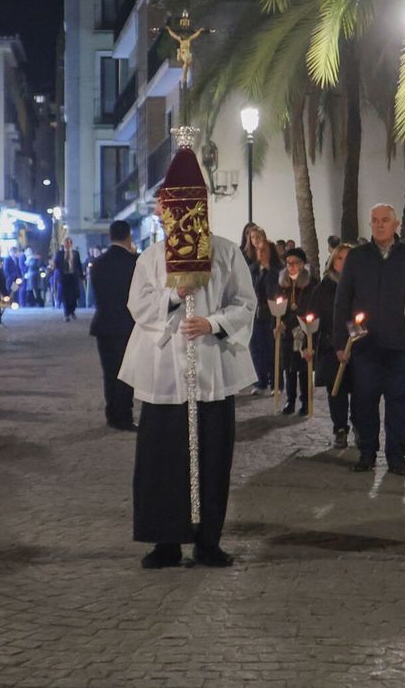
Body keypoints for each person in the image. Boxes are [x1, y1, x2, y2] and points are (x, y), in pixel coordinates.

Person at [121, 181, 257, 570]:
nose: (171, 215)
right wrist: (174, 296)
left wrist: (212, 323)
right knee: (161, 460)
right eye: (166, 207)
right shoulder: (150, 258)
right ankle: (165, 541)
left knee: (213, 458)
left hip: (211, 369)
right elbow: (138, 304)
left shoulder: (227, 252)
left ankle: (207, 540)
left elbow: (245, 304)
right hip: (165, 374)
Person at [334, 204, 405, 475]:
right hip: (365, 346)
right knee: (365, 402)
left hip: (399, 345)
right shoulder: (357, 257)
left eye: (385, 220)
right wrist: (341, 341)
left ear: (397, 224)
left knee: (397, 402)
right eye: (374, 221)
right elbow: (343, 300)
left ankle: (396, 458)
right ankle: (367, 453)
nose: (379, 225)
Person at [90, 220, 139, 431]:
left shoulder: (98, 264)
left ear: (110, 237)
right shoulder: (134, 262)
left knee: (109, 372)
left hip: (104, 324)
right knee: (127, 373)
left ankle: (112, 414)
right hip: (127, 324)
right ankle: (124, 416)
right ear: (128, 237)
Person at [306, 243, 353, 447]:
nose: (344, 262)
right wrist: (307, 343)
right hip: (329, 347)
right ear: (333, 261)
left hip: (355, 346)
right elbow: (313, 318)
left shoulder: (359, 285)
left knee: (361, 391)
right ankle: (340, 428)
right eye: (340, 258)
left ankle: (361, 428)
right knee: (337, 391)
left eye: (348, 257)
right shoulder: (323, 288)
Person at [277, 248, 315, 416]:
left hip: (303, 329)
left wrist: (294, 322)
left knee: (303, 368)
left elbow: (309, 307)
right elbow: (279, 308)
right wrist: (279, 323)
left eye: (295, 263)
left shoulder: (311, 284)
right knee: (288, 368)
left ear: (302, 264)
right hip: (286, 332)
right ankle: (290, 400)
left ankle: (305, 402)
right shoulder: (283, 284)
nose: (291, 267)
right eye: (288, 263)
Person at [245, 226, 281, 397]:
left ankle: (276, 383)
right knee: (256, 349)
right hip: (256, 314)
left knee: (272, 349)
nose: (260, 253)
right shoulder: (252, 270)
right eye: (258, 250)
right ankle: (261, 381)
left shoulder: (277, 271)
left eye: (264, 250)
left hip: (272, 314)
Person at [54, 237, 84, 321]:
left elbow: (79, 265)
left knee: (74, 296)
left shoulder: (75, 253)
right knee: (65, 296)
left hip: (73, 277)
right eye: (66, 243)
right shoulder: (59, 253)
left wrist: (81, 276)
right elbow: (56, 264)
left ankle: (72, 310)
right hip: (64, 277)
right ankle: (66, 314)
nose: (67, 245)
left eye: (69, 243)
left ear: (71, 244)